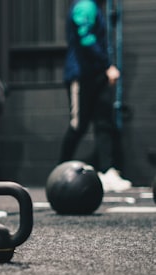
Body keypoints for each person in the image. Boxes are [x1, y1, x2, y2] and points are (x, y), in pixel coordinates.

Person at [59, 0, 131, 192]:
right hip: (82, 76)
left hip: (96, 75)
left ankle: (106, 171)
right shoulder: (85, 6)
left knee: (103, 124)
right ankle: (59, 173)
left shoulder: (94, 8)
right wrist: (107, 65)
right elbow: (86, 38)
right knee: (78, 125)